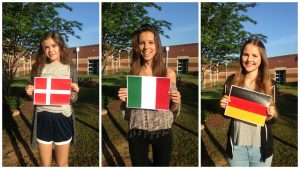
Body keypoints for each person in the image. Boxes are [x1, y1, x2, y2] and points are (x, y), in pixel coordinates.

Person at [118, 24, 181, 166]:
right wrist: (125, 99)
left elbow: (172, 108)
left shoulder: (168, 74)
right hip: (137, 130)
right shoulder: (133, 74)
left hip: (162, 130)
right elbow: (129, 111)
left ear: (157, 45)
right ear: (137, 46)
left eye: (151, 42)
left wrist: (176, 101)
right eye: (142, 43)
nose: (146, 47)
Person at [219, 39, 279, 166]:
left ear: (262, 58)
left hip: (260, 149)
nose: (249, 59)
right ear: (241, 56)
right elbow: (226, 114)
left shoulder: (270, 84)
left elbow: (274, 118)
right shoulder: (231, 81)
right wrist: (223, 107)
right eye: (245, 54)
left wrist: (271, 115)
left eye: (255, 55)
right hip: (236, 148)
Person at [25, 31, 80, 166]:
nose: (50, 50)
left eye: (54, 46)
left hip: (63, 118)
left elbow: (73, 99)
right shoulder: (38, 68)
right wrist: (30, 92)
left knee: (62, 163)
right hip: (43, 118)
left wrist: (74, 93)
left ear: (61, 46)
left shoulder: (70, 69)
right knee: (45, 164)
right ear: (43, 49)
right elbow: (35, 95)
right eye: (46, 47)